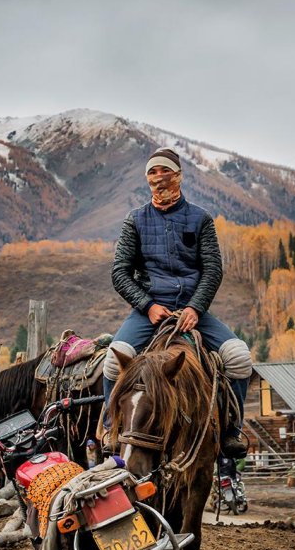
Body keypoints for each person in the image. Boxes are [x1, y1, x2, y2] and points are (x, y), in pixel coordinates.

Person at [102, 147, 253, 458]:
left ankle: (231, 432)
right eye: (153, 173)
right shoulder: (136, 220)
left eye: (165, 172)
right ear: (147, 180)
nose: (159, 179)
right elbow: (119, 272)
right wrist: (147, 305)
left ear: (179, 176)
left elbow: (213, 269)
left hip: (192, 309)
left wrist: (195, 308)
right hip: (150, 311)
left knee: (238, 356)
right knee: (113, 362)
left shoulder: (200, 219)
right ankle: (110, 428)